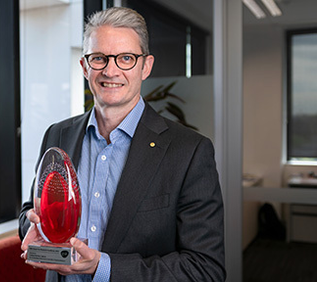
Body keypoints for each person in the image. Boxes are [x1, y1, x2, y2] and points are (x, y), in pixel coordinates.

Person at [19, 7, 225, 282]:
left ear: (146, 66)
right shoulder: (58, 135)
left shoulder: (189, 151)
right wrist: (34, 224)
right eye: (99, 58)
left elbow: (204, 268)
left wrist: (102, 267)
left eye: (126, 58)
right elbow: (30, 211)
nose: (111, 70)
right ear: (84, 66)